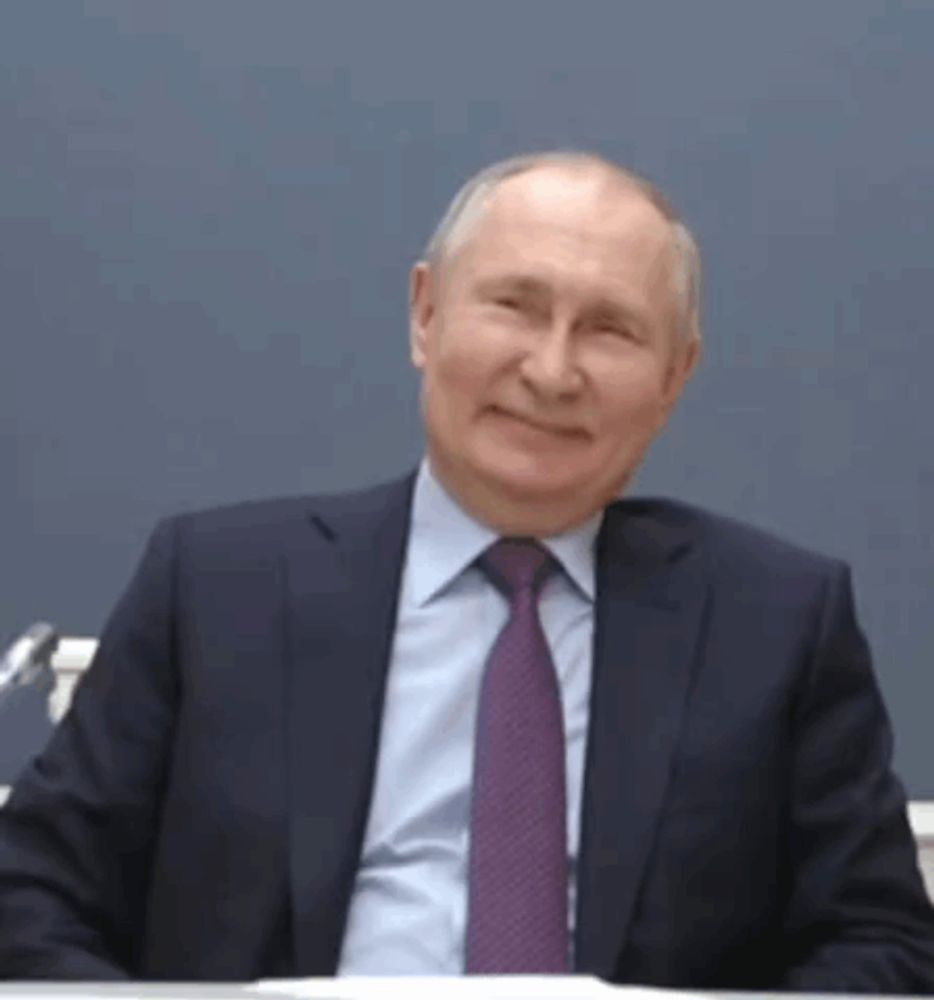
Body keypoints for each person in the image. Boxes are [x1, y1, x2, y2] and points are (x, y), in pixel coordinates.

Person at [1, 151, 933, 991]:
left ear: (676, 376)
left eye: (609, 329)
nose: (553, 369)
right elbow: (29, 895)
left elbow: (884, 942)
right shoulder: (215, 588)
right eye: (515, 306)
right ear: (426, 315)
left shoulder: (775, 621)